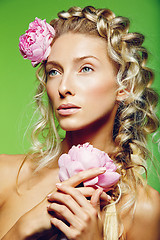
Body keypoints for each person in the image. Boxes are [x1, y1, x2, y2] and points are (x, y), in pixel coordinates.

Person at [0, 5, 159, 240]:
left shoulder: (145, 208)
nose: (63, 87)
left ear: (125, 86)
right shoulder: (5, 174)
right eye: (54, 71)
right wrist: (22, 229)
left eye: (85, 68)